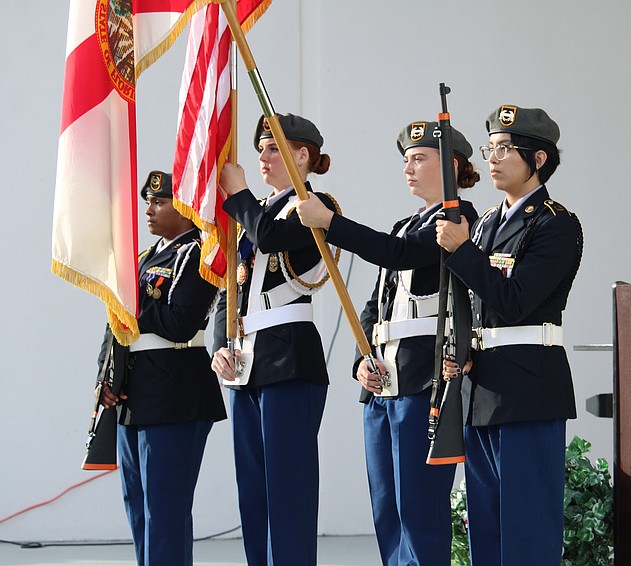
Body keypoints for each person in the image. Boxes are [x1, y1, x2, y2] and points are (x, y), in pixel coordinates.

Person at [296, 121, 479, 566]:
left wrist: (331, 224)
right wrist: (362, 356)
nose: (408, 168)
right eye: (405, 160)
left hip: (424, 375)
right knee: (387, 505)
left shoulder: (456, 219)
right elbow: (376, 303)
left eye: (419, 158)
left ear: (452, 167)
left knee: (419, 505)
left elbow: (397, 255)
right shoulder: (405, 223)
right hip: (384, 374)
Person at [435, 105, 583, 565]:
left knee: (527, 527)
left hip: (528, 384)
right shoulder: (484, 224)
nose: (493, 158)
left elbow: (515, 299)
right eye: (490, 148)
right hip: (482, 387)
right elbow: (470, 302)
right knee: (488, 528)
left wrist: (462, 252)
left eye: (505, 149)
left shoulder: (556, 223)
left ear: (537, 160)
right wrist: (457, 350)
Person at [210, 113, 337, 566]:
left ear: (301, 156)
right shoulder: (257, 212)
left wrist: (238, 194)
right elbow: (229, 290)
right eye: (260, 148)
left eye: (272, 149)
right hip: (248, 359)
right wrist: (219, 347)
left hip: (289, 352)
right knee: (255, 490)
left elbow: (268, 237)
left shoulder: (315, 204)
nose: (261, 157)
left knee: (288, 489)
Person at [97, 170, 226, 566]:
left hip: (174, 387)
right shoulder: (144, 257)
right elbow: (114, 323)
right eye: (148, 202)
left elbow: (179, 322)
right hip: (134, 388)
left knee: (165, 510)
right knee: (137, 506)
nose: (150, 211)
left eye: (160, 202)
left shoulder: (198, 252)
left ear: (186, 207)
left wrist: (132, 299)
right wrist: (106, 375)